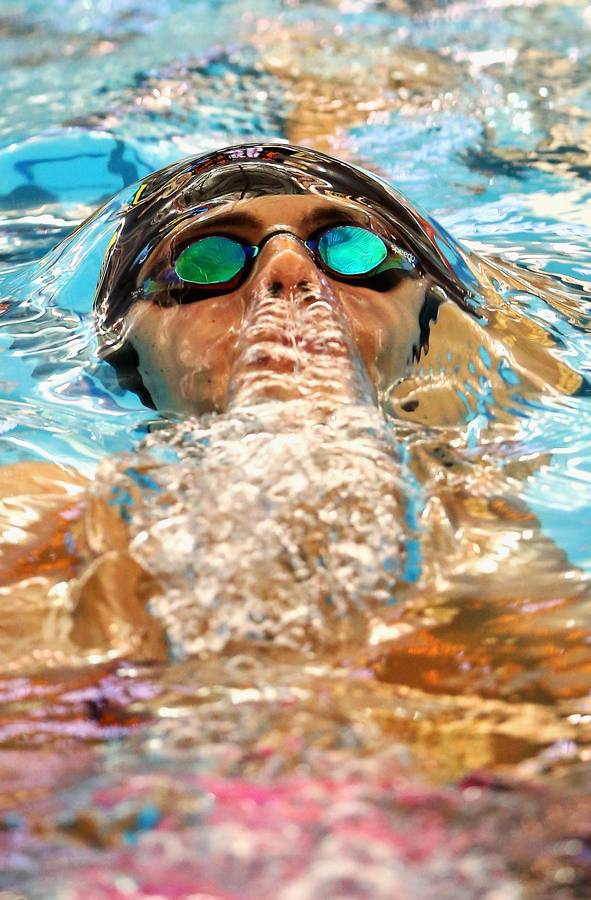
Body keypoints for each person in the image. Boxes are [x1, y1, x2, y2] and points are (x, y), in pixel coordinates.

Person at [1, 143, 589, 718]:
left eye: (353, 249)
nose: (289, 270)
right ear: (127, 352)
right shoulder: (38, 521)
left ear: (428, 329)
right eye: (209, 259)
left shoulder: (489, 533)